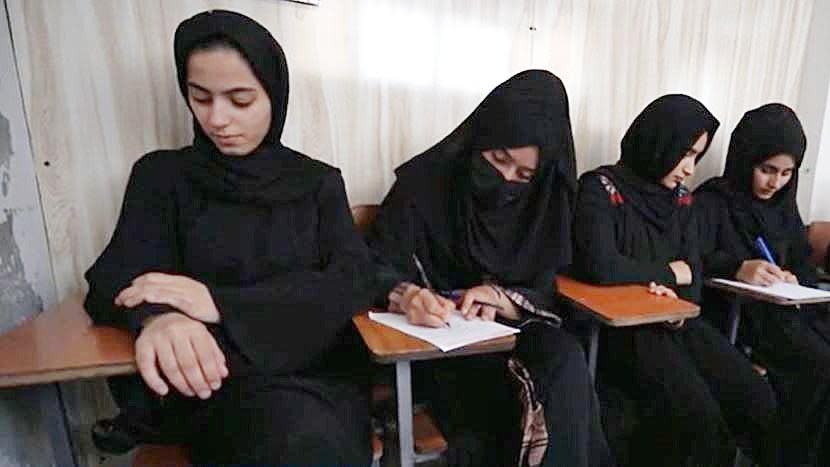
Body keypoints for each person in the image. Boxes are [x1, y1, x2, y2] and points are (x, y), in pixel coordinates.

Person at [85, 10, 375, 465]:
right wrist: (159, 318)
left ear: (274, 97)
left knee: (307, 438)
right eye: (200, 98)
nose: (217, 119)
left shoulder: (316, 182)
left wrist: (218, 302)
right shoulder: (162, 176)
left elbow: (354, 280)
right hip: (214, 384)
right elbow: (119, 277)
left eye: (240, 100)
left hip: (316, 376)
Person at [366, 70, 614, 467]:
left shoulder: (542, 209)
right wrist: (407, 294)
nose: (506, 181)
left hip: (516, 339)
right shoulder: (425, 186)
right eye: (499, 159)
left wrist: (505, 299)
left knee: (566, 362)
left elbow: (548, 291)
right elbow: (372, 264)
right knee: (496, 420)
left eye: (524, 176)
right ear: (482, 136)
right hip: (440, 351)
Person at [572, 94, 778, 466]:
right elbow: (600, 266)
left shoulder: (681, 201)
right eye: (684, 154)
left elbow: (694, 275)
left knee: (756, 397)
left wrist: (678, 299)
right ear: (656, 142)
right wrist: (668, 273)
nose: (688, 169)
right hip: (625, 330)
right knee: (697, 416)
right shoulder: (599, 187)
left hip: (677, 321)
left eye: (697, 157)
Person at [696, 103, 830, 466]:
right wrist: (738, 266)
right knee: (820, 367)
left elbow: (802, 264)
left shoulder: (784, 207)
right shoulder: (713, 201)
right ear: (745, 160)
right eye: (766, 170)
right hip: (741, 321)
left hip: (789, 316)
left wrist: (791, 277)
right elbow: (694, 258)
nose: (776, 183)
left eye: (787, 173)